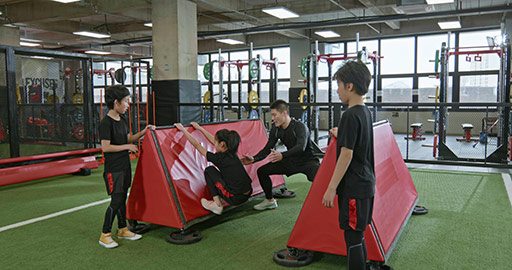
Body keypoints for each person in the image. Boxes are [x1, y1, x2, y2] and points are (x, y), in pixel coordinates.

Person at [321, 60, 376, 270]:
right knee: (357, 236)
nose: (337, 90)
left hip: (353, 188)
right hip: (365, 185)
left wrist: (331, 187)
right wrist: (340, 133)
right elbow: (355, 141)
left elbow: (346, 154)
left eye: (339, 84)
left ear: (349, 86)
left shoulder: (350, 116)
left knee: (352, 239)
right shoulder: (364, 112)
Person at [99, 85, 155, 249]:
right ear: (116, 102)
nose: (128, 105)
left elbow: (128, 139)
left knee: (123, 198)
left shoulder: (122, 119)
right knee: (116, 200)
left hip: (124, 166)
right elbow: (106, 147)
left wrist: (144, 131)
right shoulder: (105, 123)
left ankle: (122, 229)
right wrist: (126, 147)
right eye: (126, 101)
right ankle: (105, 234)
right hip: (113, 169)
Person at [242, 100, 320, 211]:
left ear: (284, 113)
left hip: (308, 162)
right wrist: (254, 158)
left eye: (274, 115)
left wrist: (282, 155)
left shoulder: (300, 127)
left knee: (320, 179)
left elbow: (300, 147)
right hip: (290, 161)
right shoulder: (276, 128)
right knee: (262, 171)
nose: (272, 118)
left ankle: (327, 203)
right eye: (271, 115)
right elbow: (267, 148)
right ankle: (269, 201)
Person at [175, 122, 253, 215]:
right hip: (248, 193)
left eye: (216, 142)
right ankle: (220, 200)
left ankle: (217, 205)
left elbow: (197, 145)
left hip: (235, 198)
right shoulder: (232, 153)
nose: (214, 143)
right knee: (221, 173)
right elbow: (214, 141)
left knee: (209, 170)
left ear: (222, 144)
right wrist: (200, 128)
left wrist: (183, 130)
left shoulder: (219, 158)